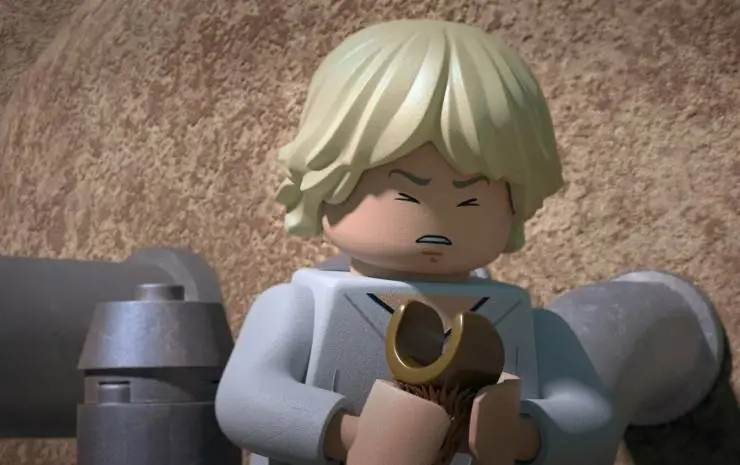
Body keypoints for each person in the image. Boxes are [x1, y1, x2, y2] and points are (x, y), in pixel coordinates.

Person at [215, 19, 724, 465]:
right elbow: (244, 400)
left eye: (471, 200)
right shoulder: (296, 309)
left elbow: (592, 418)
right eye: (406, 194)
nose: (438, 221)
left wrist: (523, 434)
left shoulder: (533, 327)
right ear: (326, 182)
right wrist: (350, 434)